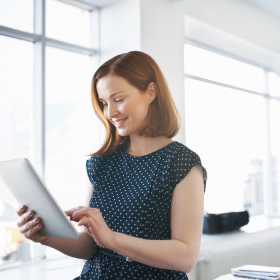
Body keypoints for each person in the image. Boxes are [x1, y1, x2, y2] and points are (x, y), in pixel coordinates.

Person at [16, 51, 207, 279]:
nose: (110, 112)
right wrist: (44, 237)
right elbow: (90, 245)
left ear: (151, 92)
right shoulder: (102, 163)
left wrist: (111, 238)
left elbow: (185, 257)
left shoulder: (181, 163)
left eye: (118, 100)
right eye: (104, 103)